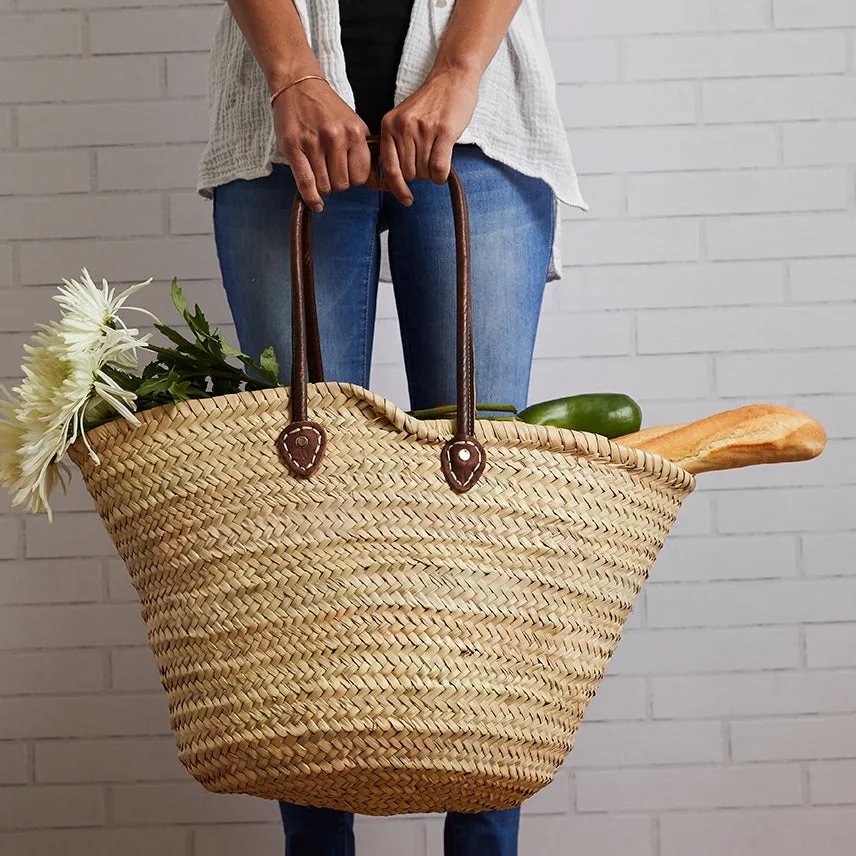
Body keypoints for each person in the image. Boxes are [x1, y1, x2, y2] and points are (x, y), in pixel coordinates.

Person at [196, 1, 587, 853]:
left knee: (482, 529)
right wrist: (295, 73)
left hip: (480, 126)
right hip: (281, 128)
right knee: (305, 526)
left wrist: (456, 71)